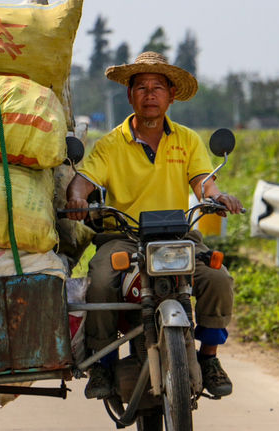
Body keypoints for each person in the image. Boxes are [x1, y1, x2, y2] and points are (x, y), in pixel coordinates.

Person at [65, 51, 244, 400]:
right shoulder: (111, 144)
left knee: (218, 278)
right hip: (124, 237)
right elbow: (82, 181)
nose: (150, 94)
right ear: (130, 95)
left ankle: (209, 359)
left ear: (171, 95)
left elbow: (204, 182)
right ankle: (101, 365)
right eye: (142, 87)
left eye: (158, 87)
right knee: (101, 281)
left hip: (177, 237)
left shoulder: (187, 140)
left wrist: (218, 197)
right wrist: (76, 199)